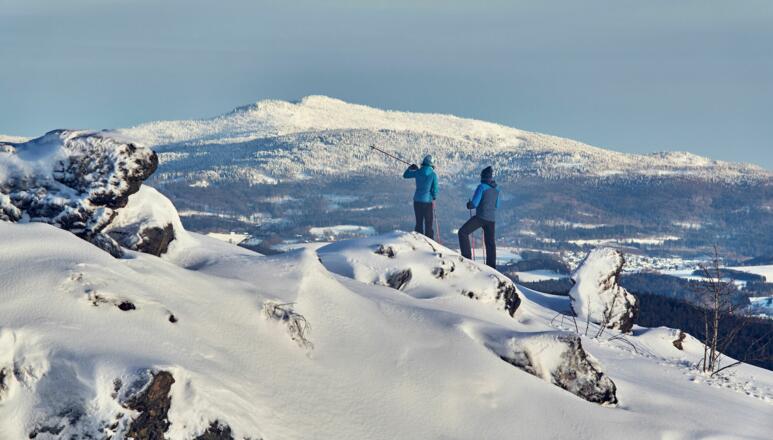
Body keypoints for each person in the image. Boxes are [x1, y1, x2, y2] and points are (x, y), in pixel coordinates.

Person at [458, 166, 499, 268]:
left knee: (463, 232)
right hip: (492, 219)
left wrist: (469, 205)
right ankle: (492, 266)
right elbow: (497, 205)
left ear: (483, 176)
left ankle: (467, 258)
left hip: (481, 217)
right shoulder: (496, 189)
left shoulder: (481, 187)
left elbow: (474, 204)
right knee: (490, 243)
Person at [403, 155, 438, 239]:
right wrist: (434, 197)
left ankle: (418, 241)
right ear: (432, 164)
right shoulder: (433, 175)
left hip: (417, 201)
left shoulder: (417, 172)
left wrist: (410, 168)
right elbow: (435, 189)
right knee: (428, 223)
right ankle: (429, 241)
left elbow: (405, 175)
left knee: (419, 223)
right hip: (427, 202)